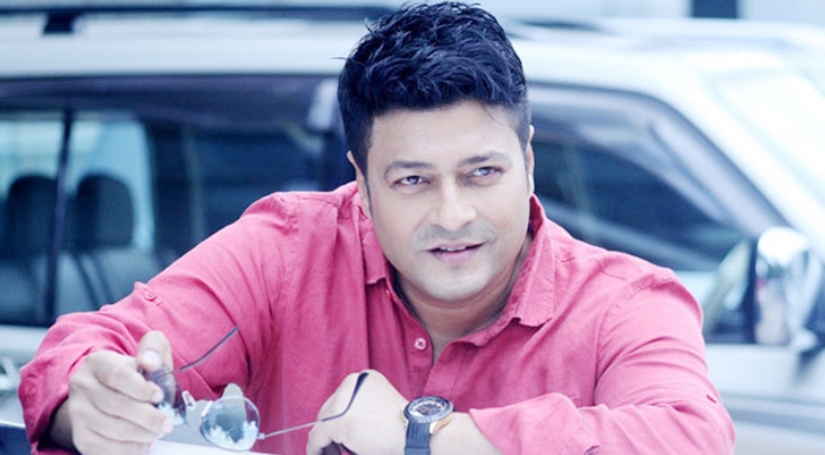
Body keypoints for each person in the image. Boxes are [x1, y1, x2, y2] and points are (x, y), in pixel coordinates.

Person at [19, 2, 735, 454]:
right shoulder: (284, 253)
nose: (452, 214)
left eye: (482, 172)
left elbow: (692, 439)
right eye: (412, 180)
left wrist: (424, 438)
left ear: (527, 160)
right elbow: (79, 353)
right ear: (361, 184)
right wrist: (94, 400)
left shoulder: (625, 303)